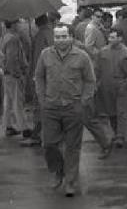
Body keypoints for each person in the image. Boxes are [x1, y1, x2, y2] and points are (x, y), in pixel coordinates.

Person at [35, 25, 97, 197]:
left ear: (71, 37)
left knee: (72, 146)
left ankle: (70, 181)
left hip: (73, 106)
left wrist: (84, 101)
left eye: (64, 36)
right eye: (57, 37)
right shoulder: (45, 55)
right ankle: (57, 171)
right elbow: (39, 77)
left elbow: (90, 81)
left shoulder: (82, 56)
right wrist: (42, 98)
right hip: (51, 107)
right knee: (49, 144)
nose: (60, 40)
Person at [95, 28, 127, 148]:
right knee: (110, 111)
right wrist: (97, 84)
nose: (111, 40)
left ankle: (120, 136)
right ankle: (115, 132)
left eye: (113, 37)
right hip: (106, 85)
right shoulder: (102, 52)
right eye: (110, 37)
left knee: (121, 111)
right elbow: (97, 69)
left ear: (120, 38)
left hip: (121, 84)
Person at [21, 14, 54, 147]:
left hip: (41, 76)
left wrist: (33, 76)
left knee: (39, 105)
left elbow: (37, 59)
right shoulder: (51, 33)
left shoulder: (40, 36)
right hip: (53, 75)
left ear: (36, 22)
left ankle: (37, 135)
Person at [0, 19, 30, 137]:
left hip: (6, 74)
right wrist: (17, 73)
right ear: (13, 24)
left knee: (8, 101)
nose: (19, 25)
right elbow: (12, 58)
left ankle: (8, 125)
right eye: (17, 22)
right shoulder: (13, 39)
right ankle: (24, 127)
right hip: (13, 74)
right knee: (18, 101)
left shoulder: (4, 37)